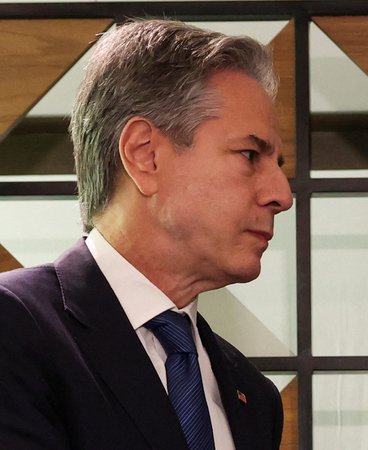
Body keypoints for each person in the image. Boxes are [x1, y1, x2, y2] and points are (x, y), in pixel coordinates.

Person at [0, 19, 292, 450]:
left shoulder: (254, 396)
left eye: (279, 165)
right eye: (250, 155)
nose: (281, 195)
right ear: (145, 154)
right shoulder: (15, 329)